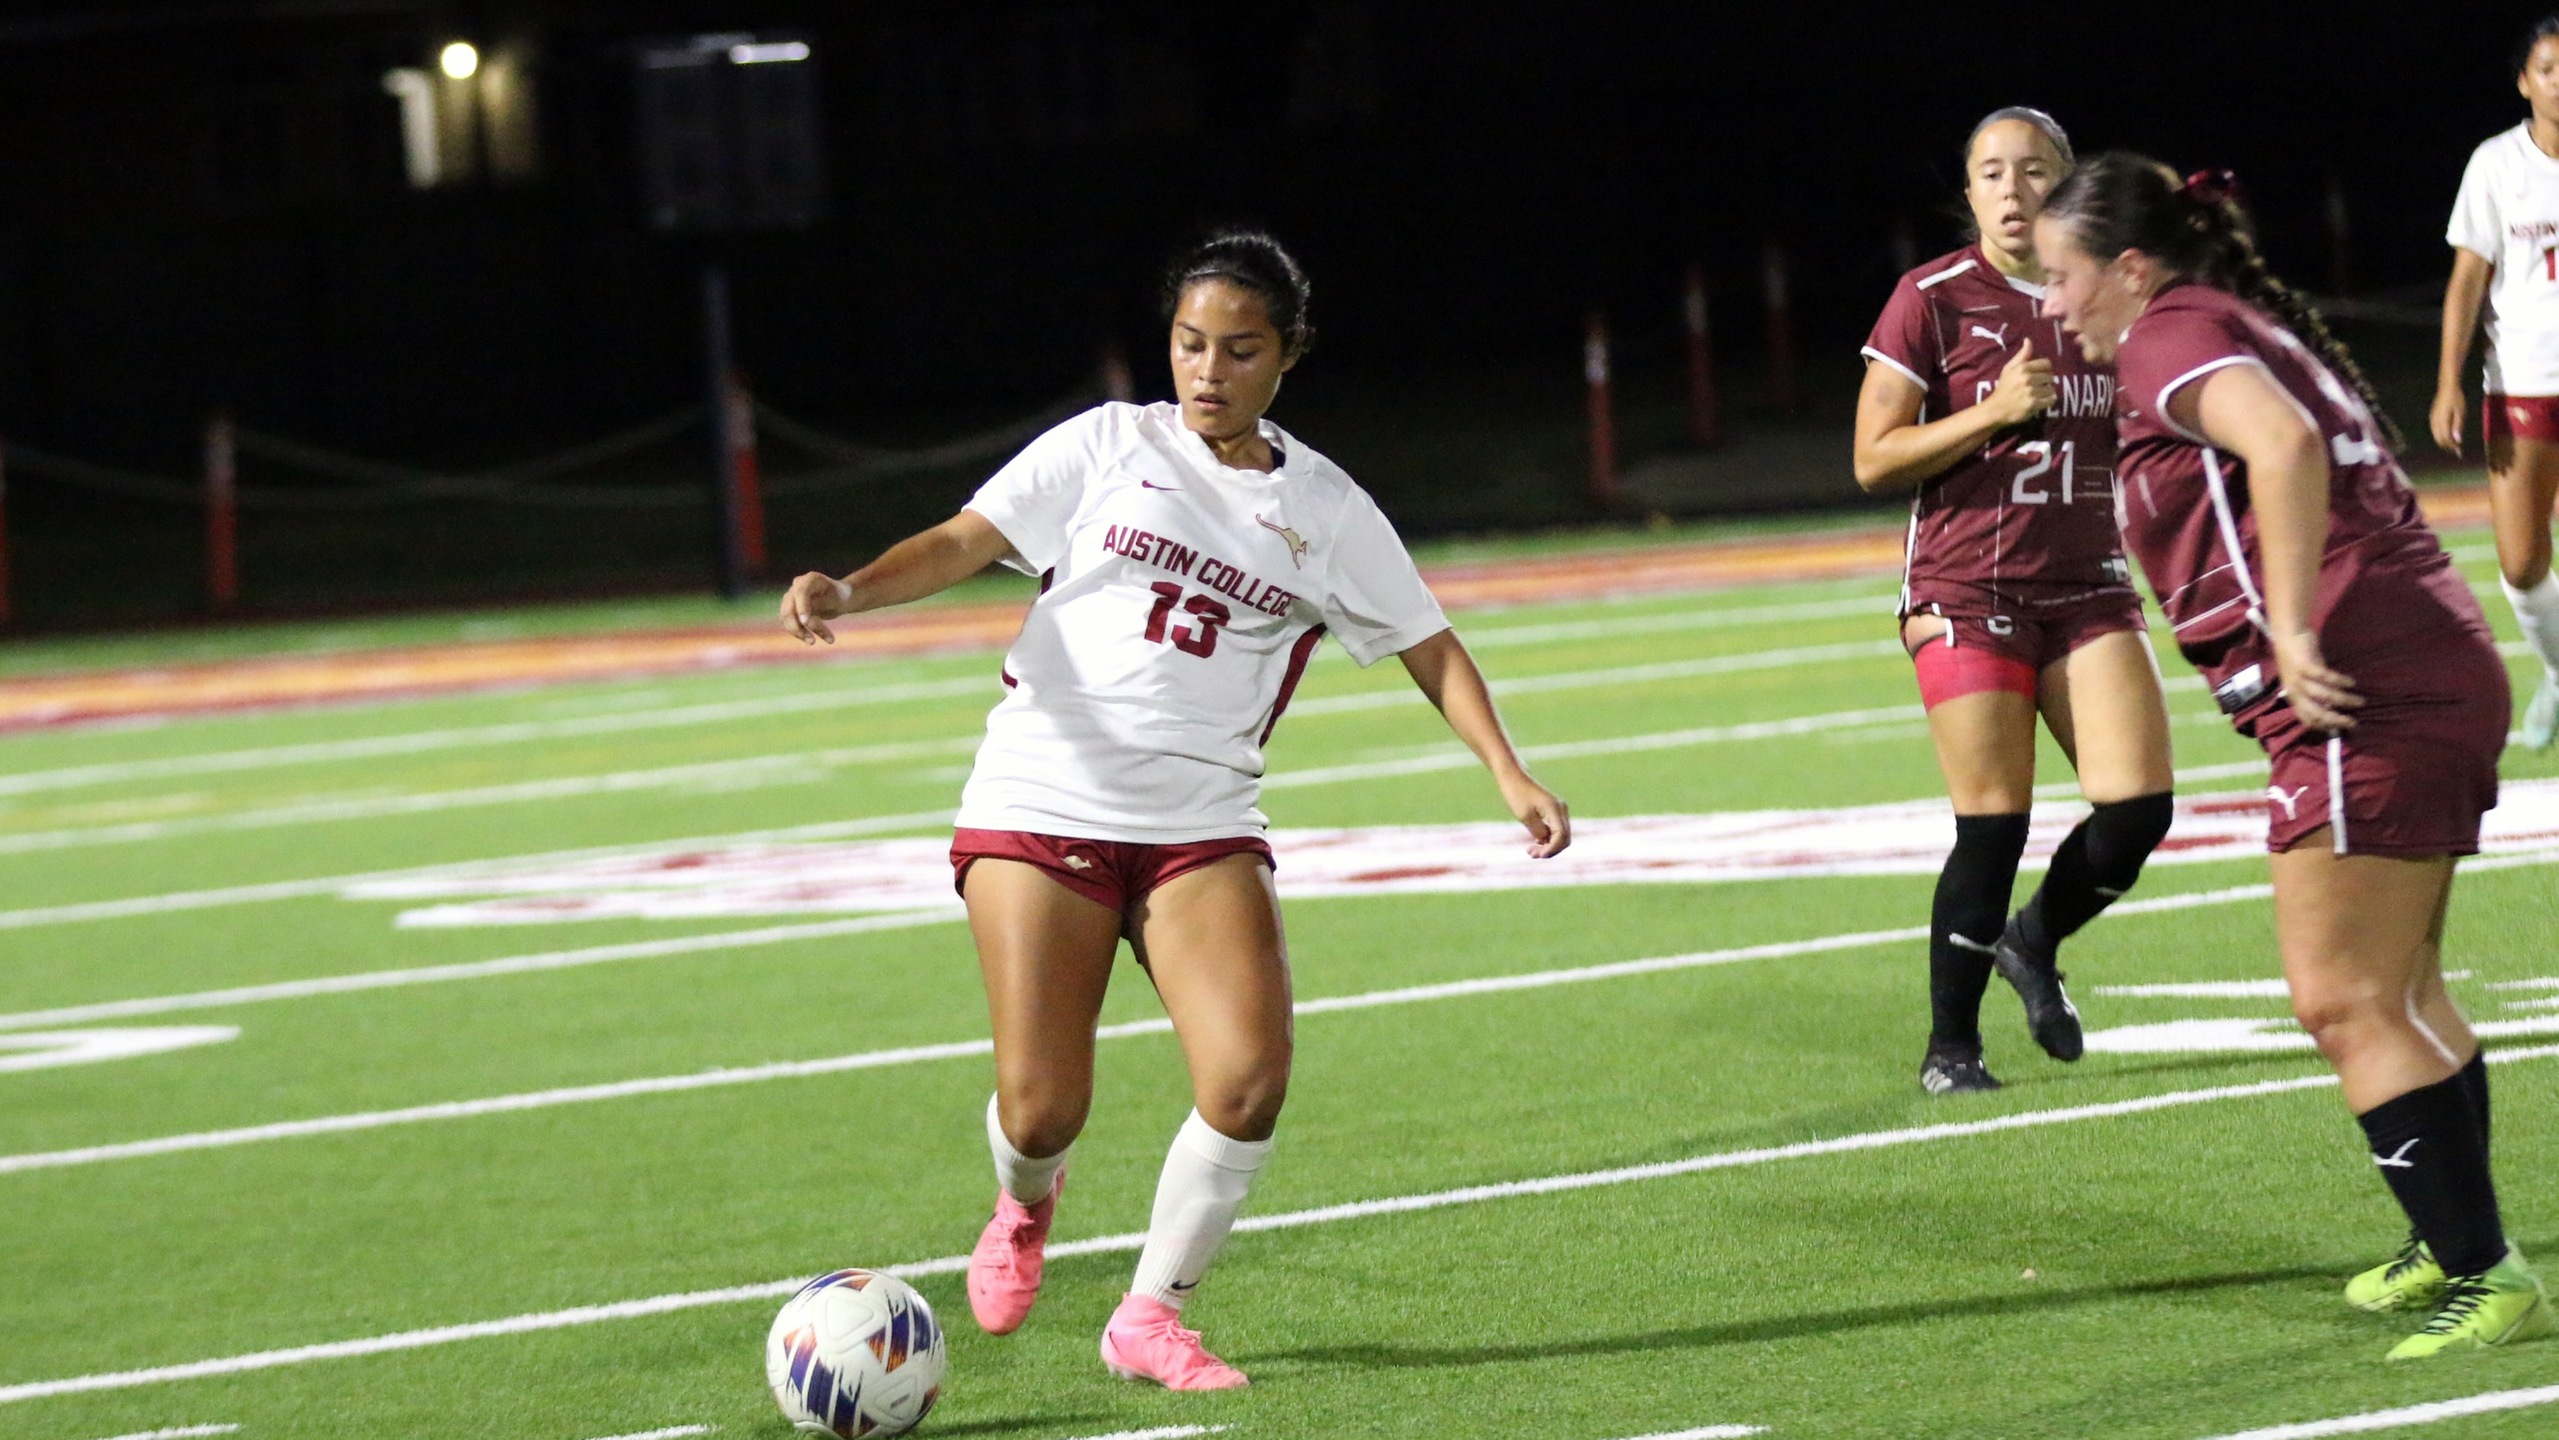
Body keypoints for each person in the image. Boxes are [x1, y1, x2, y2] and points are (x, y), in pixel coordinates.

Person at [779, 231, 1570, 1390]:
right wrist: (846, 587)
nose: (1207, 371)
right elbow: (964, 539)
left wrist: (1508, 770)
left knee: (1248, 1075)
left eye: (1239, 350)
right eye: (1190, 344)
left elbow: (1428, 644)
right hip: (1041, 798)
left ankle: (1149, 1316)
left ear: (1289, 356)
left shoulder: (1326, 508)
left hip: (1201, 820)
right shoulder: (1109, 445)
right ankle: (1024, 1201)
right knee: (1044, 1107)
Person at [2036, 154, 2552, 1360]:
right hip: (2422, 665)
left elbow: (2282, 447)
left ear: (2128, 265)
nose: (2053, 306)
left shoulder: (2170, 333)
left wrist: (2296, 628)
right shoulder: (2221, 318)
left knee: (2342, 997)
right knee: (2405, 991)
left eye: (2063, 279)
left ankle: (2487, 1269)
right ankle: (2451, 1241)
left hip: (2359, 687)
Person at [1853, 107, 2176, 1096]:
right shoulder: (1933, 297)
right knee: (1992, 822)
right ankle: (1952, 1047)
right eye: (1989, 172)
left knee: (2139, 810)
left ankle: (2033, 941)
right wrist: (1992, 410)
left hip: (2086, 586)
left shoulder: (2106, 297)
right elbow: (1872, 458)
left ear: (2065, 185)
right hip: (1967, 589)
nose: (2009, 187)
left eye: (2031, 170)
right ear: (1969, 190)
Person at [2439, 14, 2559, 750]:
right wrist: (2448, 381)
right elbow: (2465, 281)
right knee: (2519, 562)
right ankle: (2556, 670)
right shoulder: (2495, 164)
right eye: (2548, 68)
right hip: (2520, 384)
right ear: (2524, 81)